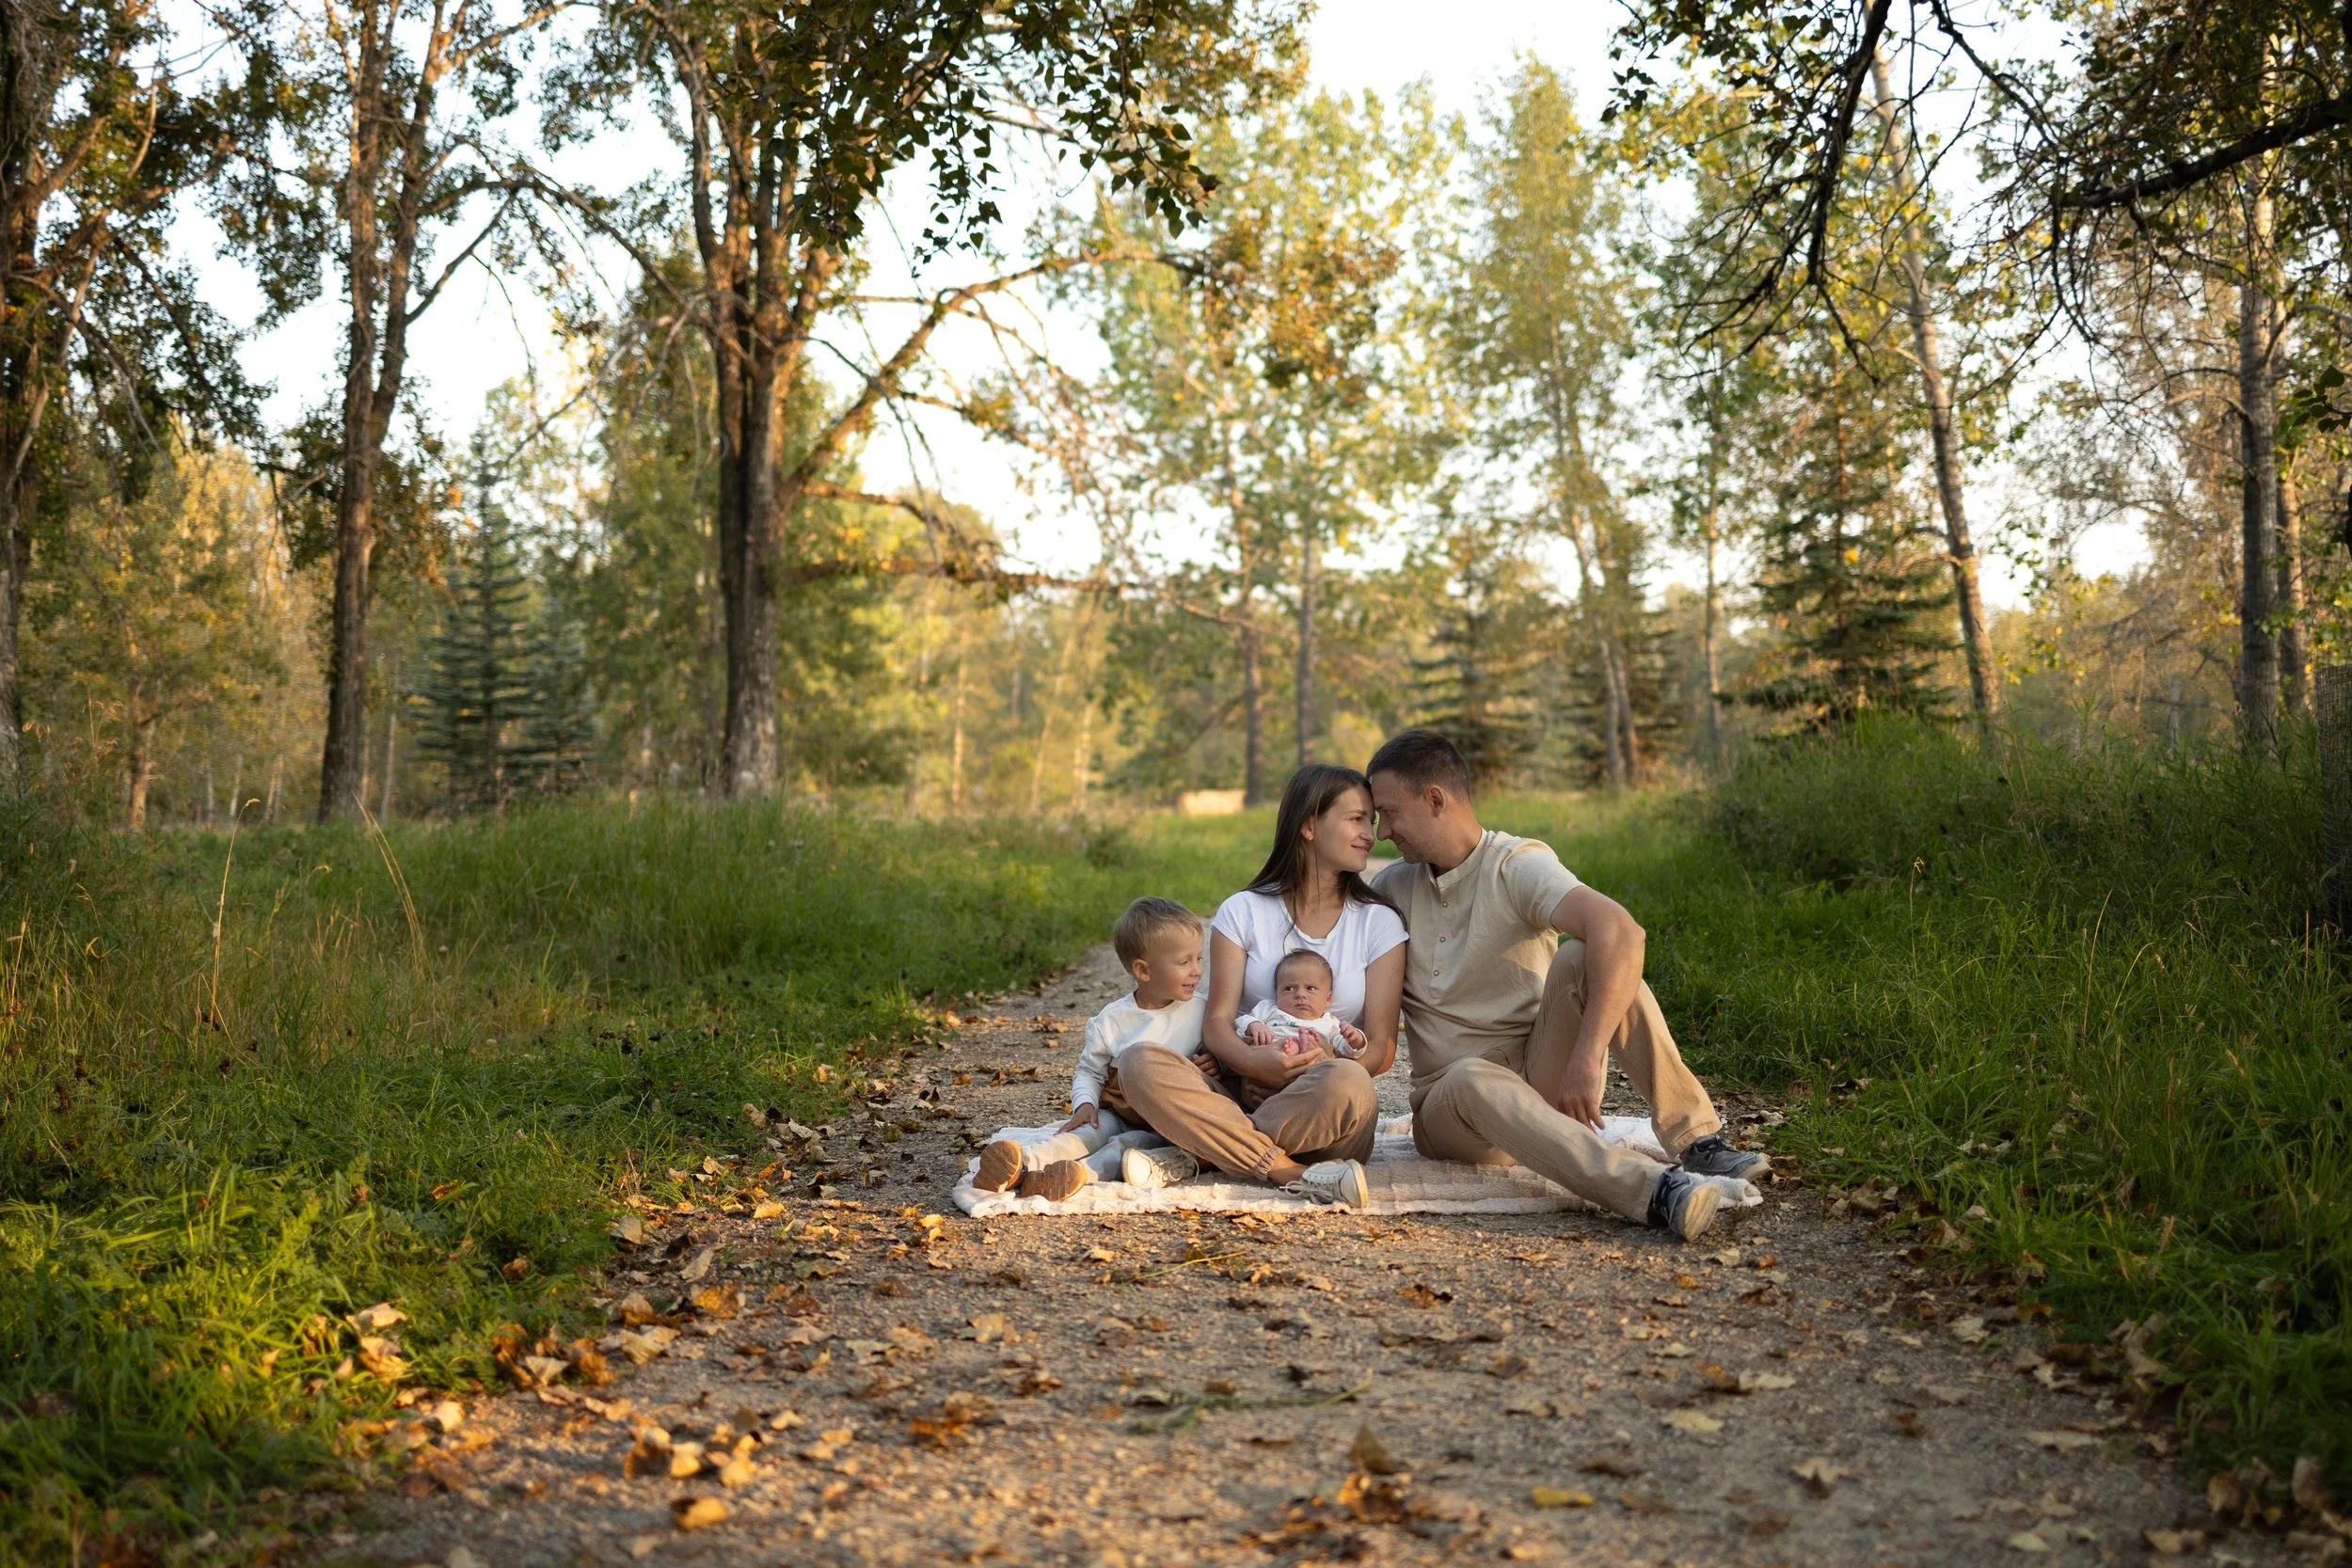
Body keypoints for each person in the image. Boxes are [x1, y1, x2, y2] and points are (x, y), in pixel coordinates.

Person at [1364, 729, 1766, 1242]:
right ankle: (1656, 1192)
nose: (1383, 833)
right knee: (1469, 1076)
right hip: (1452, 1109)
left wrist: (1586, 1055)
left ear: (1435, 800)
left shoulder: (1515, 865)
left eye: (1389, 813)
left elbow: (1622, 930)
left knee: (1589, 955)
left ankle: (1698, 1140)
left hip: (1538, 1074)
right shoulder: (1392, 886)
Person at [1115, 764, 1398, 1208]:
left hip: (1325, 1112)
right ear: (1308, 825)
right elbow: (1219, 1023)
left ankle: (1201, 1153)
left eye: (1372, 821)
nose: (1370, 834)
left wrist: (1321, 1061)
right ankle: (1291, 1172)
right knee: (1138, 1062)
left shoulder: (1379, 922)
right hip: (1242, 1094)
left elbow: (1382, 1046)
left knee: (1349, 1080)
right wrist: (1253, 1063)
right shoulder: (1242, 911)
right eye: (1356, 818)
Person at [970, 896, 1196, 1200]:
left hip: (1162, 1125)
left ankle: (1076, 1177)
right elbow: (1089, 1071)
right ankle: (1021, 1164)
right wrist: (1085, 1104)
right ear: (1143, 971)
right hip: (1118, 1110)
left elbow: (1219, 1057)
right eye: (1185, 962)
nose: (1197, 970)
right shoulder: (1112, 1020)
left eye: (1200, 959)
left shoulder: (1201, 1012)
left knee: (1127, 1146)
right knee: (1087, 1133)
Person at [1237, 949, 1353, 1061]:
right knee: (1259, 1051)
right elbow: (1241, 1022)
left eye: (1310, 988)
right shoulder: (1269, 1008)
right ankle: (1294, 1052)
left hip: (1315, 1071)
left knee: (1331, 1059)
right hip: (1271, 1063)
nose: (1300, 994)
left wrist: (1354, 1040)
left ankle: (1306, 1051)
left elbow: (1345, 1050)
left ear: (1328, 999)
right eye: (1289, 988)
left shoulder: (1331, 1023)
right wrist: (1254, 1025)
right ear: (1277, 994)